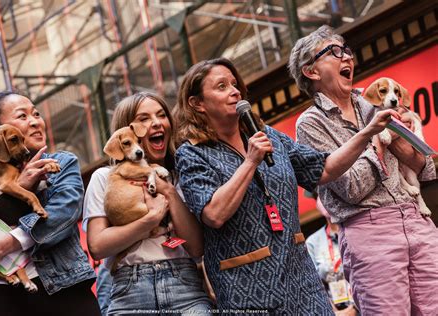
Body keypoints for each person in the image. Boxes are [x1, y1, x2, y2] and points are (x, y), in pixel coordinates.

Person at [173, 57, 396, 313]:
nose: (234, 91)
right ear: (197, 103)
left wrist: (366, 133)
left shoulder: (268, 136)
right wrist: (250, 162)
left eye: (235, 84)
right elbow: (213, 214)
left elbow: (323, 168)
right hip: (247, 290)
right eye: (221, 86)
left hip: (301, 281)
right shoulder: (191, 154)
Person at [290, 25, 438, 315]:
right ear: (312, 72)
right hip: (370, 232)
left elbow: (424, 167)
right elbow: (352, 188)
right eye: (334, 52)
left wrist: (395, 138)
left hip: (417, 219)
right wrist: (377, 140)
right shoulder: (310, 124)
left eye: (346, 50)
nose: (346, 57)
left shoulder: (376, 98)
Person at [0, 91, 101, 316]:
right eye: (22, 116)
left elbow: (64, 216)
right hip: (1, 293)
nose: (35, 121)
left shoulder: (62, 163)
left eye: (36, 114)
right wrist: (19, 188)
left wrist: (5, 245)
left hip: (63, 287)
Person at [83, 92, 213, 315]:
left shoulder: (183, 175)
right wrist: (150, 221)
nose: (155, 123)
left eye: (161, 115)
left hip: (184, 286)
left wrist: (169, 192)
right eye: (143, 119)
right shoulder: (104, 177)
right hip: (130, 288)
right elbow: (97, 246)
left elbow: (196, 248)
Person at [306, 196, 357, 316]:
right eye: (319, 195)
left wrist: (354, 309)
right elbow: (314, 284)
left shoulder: (357, 230)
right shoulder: (313, 242)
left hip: (365, 306)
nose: (325, 199)